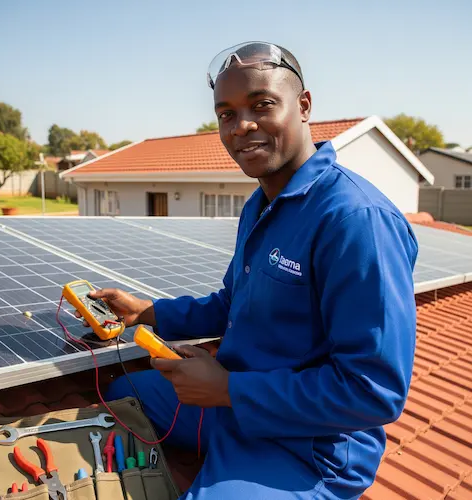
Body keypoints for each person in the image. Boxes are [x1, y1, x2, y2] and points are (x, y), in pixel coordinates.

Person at [78, 41, 418, 499]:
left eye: (261, 105)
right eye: (226, 114)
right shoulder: (261, 205)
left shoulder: (356, 221)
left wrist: (230, 389)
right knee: (121, 394)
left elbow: (372, 392)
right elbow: (231, 304)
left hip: (306, 447)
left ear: (303, 106)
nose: (242, 126)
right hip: (231, 406)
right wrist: (146, 313)